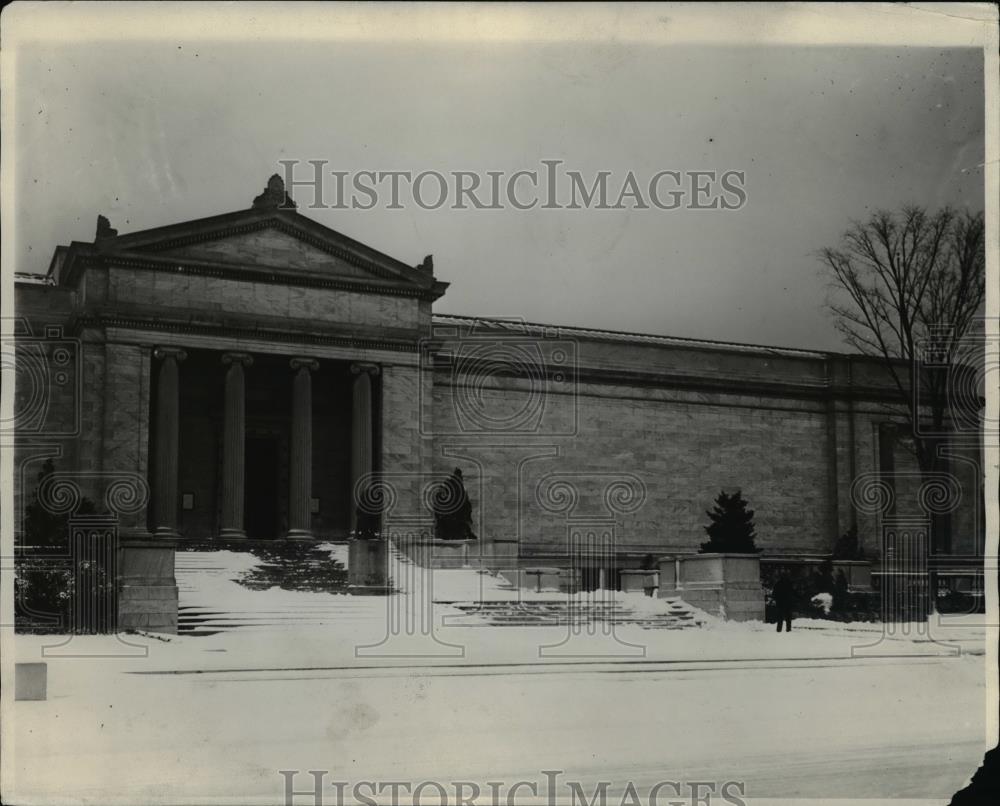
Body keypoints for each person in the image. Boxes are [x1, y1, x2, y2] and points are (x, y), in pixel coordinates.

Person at [433, 468, 477, 541]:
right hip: (451, 525)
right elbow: (466, 507)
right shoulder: (458, 490)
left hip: (451, 525)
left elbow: (467, 507)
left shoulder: (458, 490)